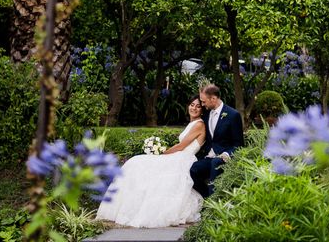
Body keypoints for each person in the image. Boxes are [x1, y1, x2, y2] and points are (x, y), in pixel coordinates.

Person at [96, 95, 206, 228]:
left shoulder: (199, 124)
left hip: (183, 159)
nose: (194, 108)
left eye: (198, 106)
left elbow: (182, 146)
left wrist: (163, 154)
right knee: (135, 163)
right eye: (192, 105)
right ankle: (125, 207)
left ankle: (134, 209)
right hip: (177, 157)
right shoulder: (192, 123)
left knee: (137, 163)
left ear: (202, 110)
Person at [190, 84, 244, 197]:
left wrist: (226, 154)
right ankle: (207, 198)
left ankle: (214, 205)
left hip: (224, 157)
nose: (202, 104)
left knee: (215, 163)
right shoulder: (207, 113)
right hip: (209, 156)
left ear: (213, 99)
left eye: (204, 102)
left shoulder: (233, 115)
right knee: (193, 170)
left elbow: (238, 144)